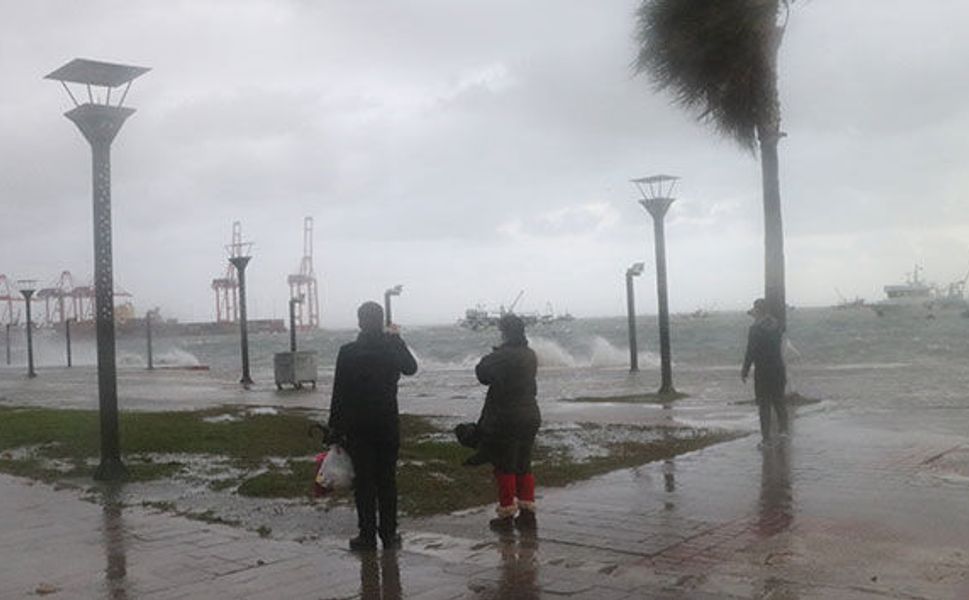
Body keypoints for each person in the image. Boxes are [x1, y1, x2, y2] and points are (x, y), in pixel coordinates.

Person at [329, 301, 418, 551]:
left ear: (359, 322)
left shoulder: (348, 352)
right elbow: (411, 368)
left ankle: (366, 535)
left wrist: (334, 428)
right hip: (387, 422)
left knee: (364, 482)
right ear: (381, 322)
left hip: (357, 426)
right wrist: (397, 338)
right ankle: (389, 535)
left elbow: (339, 393)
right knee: (387, 480)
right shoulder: (392, 347)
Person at [474, 313, 541, 531]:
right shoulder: (530, 354)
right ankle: (527, 513)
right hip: (530, 414)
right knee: (523, 463)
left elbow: (482, 374)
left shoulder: (503, 355)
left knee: (504, 465)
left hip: (507, 417)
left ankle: (506, 516)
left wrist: (495, 354)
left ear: (504, 332)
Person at [741, 298, 788, 446]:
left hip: (763, 371)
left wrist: (745, 369)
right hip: (778, 369)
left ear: (758, 311)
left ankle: (766, 439)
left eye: (755, 310)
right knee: (779, 401)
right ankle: (784, 433)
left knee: (764, 405)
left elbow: (751, 352)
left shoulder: (755, 329)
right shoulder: (778, 326)